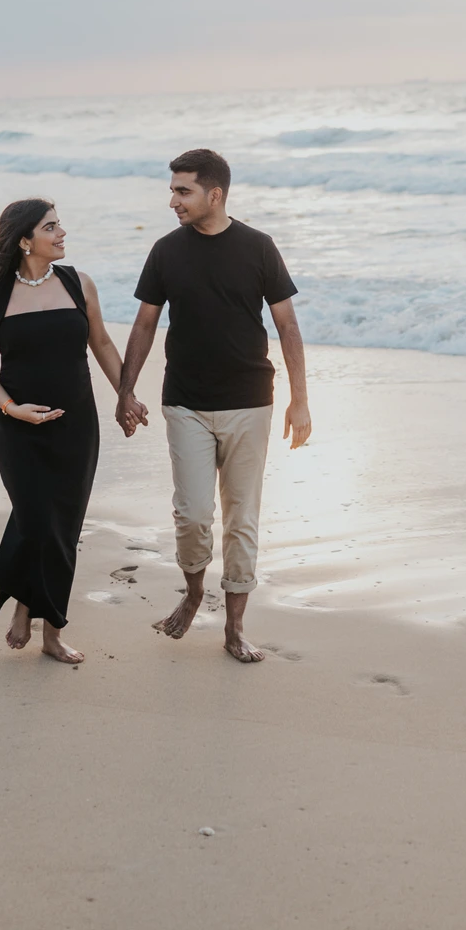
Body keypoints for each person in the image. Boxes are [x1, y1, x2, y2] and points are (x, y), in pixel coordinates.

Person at [115, 148, 311, 663]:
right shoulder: (165, 251)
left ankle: (235, 626)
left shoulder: (258, 247)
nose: (173, 201)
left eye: (183, 191)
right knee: (194, 514)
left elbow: (287, 326)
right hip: (186, 402)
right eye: (173, 190)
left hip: (250, 401)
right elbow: (144, 324)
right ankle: (195, 589)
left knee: (242, 517)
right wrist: (125, 391)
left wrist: (300, 401)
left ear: (214, 194)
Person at [0, 198, 138, 665]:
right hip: (18, 429)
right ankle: (25, 601)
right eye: (51, 227)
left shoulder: (77, 283)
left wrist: (126, 394)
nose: (62, 233)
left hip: (76, 426)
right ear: (26, 241)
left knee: (62, 527)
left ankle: (50, 630)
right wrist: (11, 408)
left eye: (60, 225)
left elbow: (101, 342)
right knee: (34, 518)